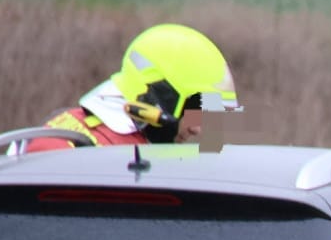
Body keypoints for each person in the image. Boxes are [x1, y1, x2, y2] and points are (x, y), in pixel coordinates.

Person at [28, 24, 239, 152]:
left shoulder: (136, 150)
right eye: (195, 109)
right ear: (163, 98)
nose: (197, 129)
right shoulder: (63, 148)